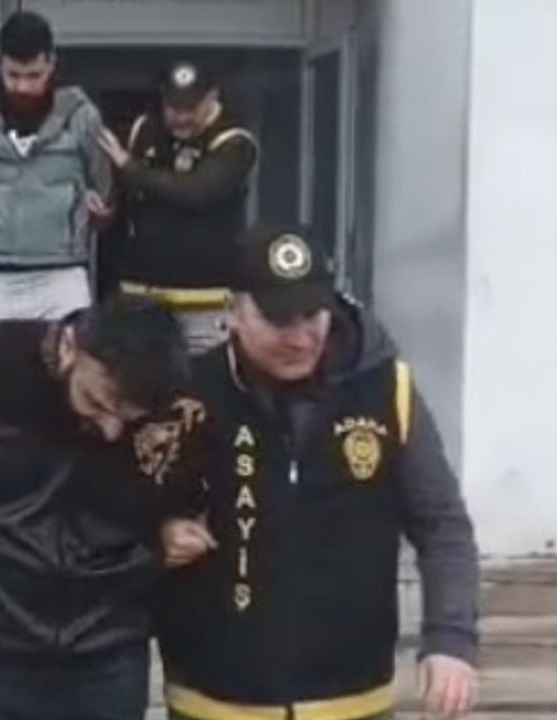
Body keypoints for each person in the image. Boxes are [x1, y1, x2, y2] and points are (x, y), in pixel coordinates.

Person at [157, 225, 481, 720]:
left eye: (312, 314)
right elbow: (119, 507)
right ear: (233, 311)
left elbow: (441, 524)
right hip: (213, 699)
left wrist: (450, 640)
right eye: (278, 319)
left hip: (353, 696)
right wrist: (157, 533)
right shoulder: (186, 394)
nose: (299, 336)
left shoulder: (387, 390)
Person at [0, 294, 204, 720]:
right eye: (98, 403)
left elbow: (180, 496)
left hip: (108, 654)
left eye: (128, 420)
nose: (111, 430)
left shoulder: (170, 405)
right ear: (70, 348)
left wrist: (161, 542)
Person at [0, 11, 112, 326]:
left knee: (70, 358)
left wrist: (98, 209)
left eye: (34, 76)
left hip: (61, 277)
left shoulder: (82, 117)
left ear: (51, 64)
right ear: (0, 65)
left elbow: (104, 191)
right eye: (13, 75)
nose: (23, 86)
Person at [99, 59, 259, 352]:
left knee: (208, 377)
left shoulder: (234, 141)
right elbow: (122, 196)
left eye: (191, 109)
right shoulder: (144, 129)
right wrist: (106, 207)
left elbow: (198, 192)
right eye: (174, 108)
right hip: (143, 296)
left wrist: (131, 170)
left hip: (205, 299)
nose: (181, 118)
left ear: (212, 97)